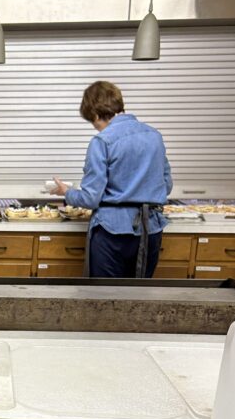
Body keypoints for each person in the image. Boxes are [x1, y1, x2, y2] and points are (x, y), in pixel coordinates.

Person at [52, 81, 172, 278]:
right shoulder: (154, 136)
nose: (96, 128)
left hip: (112, 232)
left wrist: (67, 192)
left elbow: (91, 199)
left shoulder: (102, 141)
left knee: (105, 299)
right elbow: (166, 185)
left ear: (96, 114)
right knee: (141, 297)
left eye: (93, 122)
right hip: (150, 230)